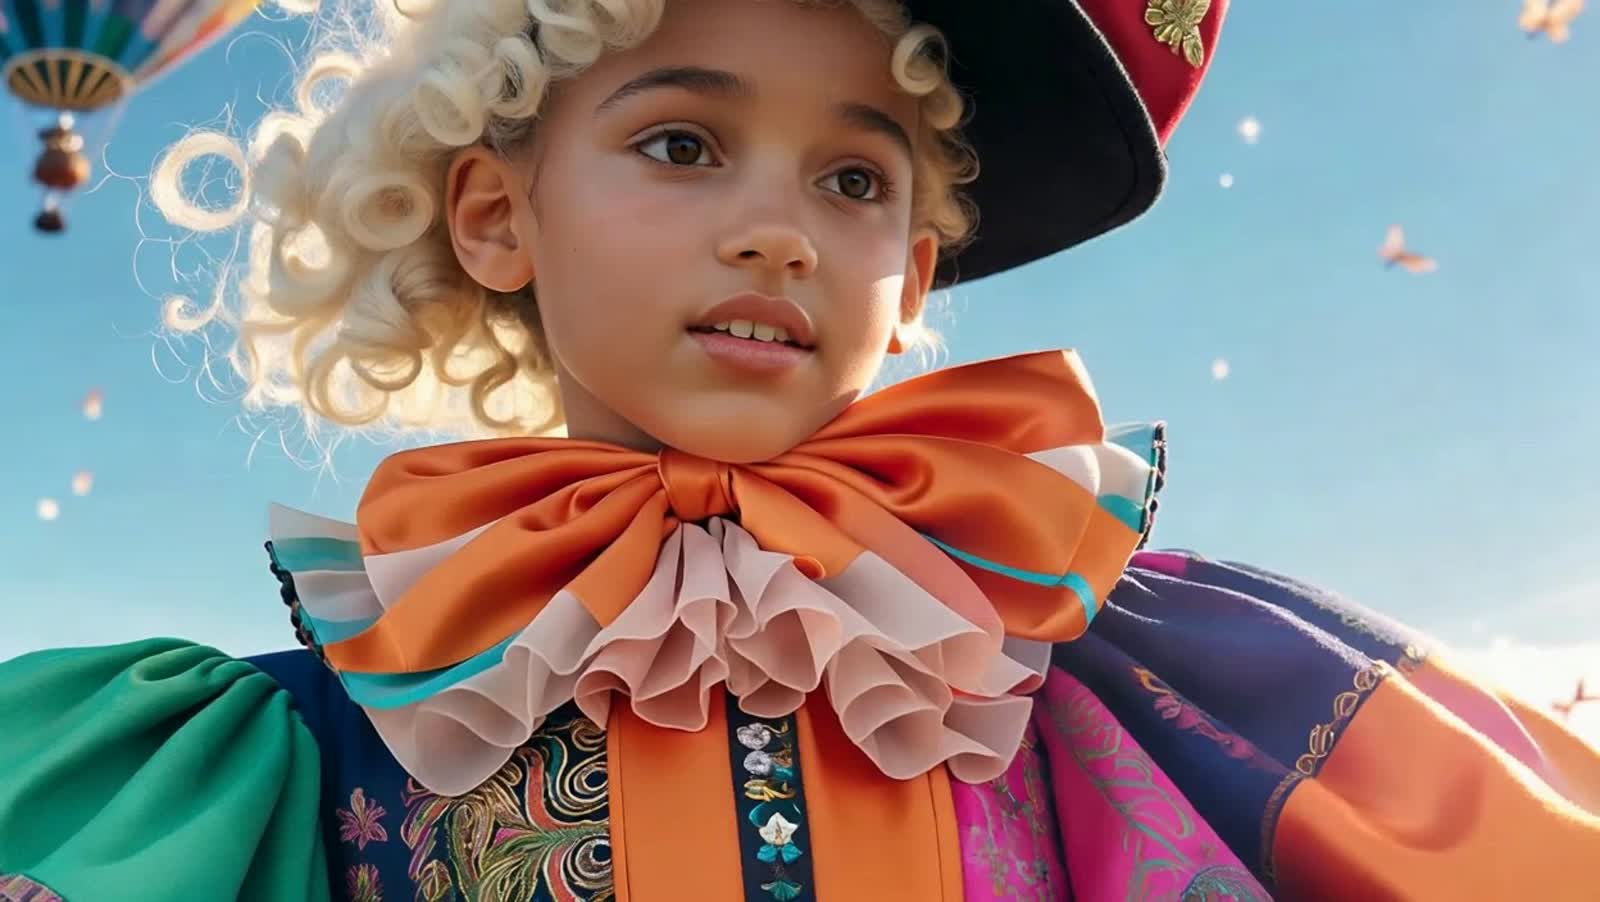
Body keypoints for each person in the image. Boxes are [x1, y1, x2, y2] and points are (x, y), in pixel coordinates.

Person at [2, 0, 1597, 899]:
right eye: (682, 145)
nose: (778, 231)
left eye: (854, 179)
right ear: (497, 213)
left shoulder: (1125, 675)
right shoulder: (298, 748)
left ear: (909, 277)